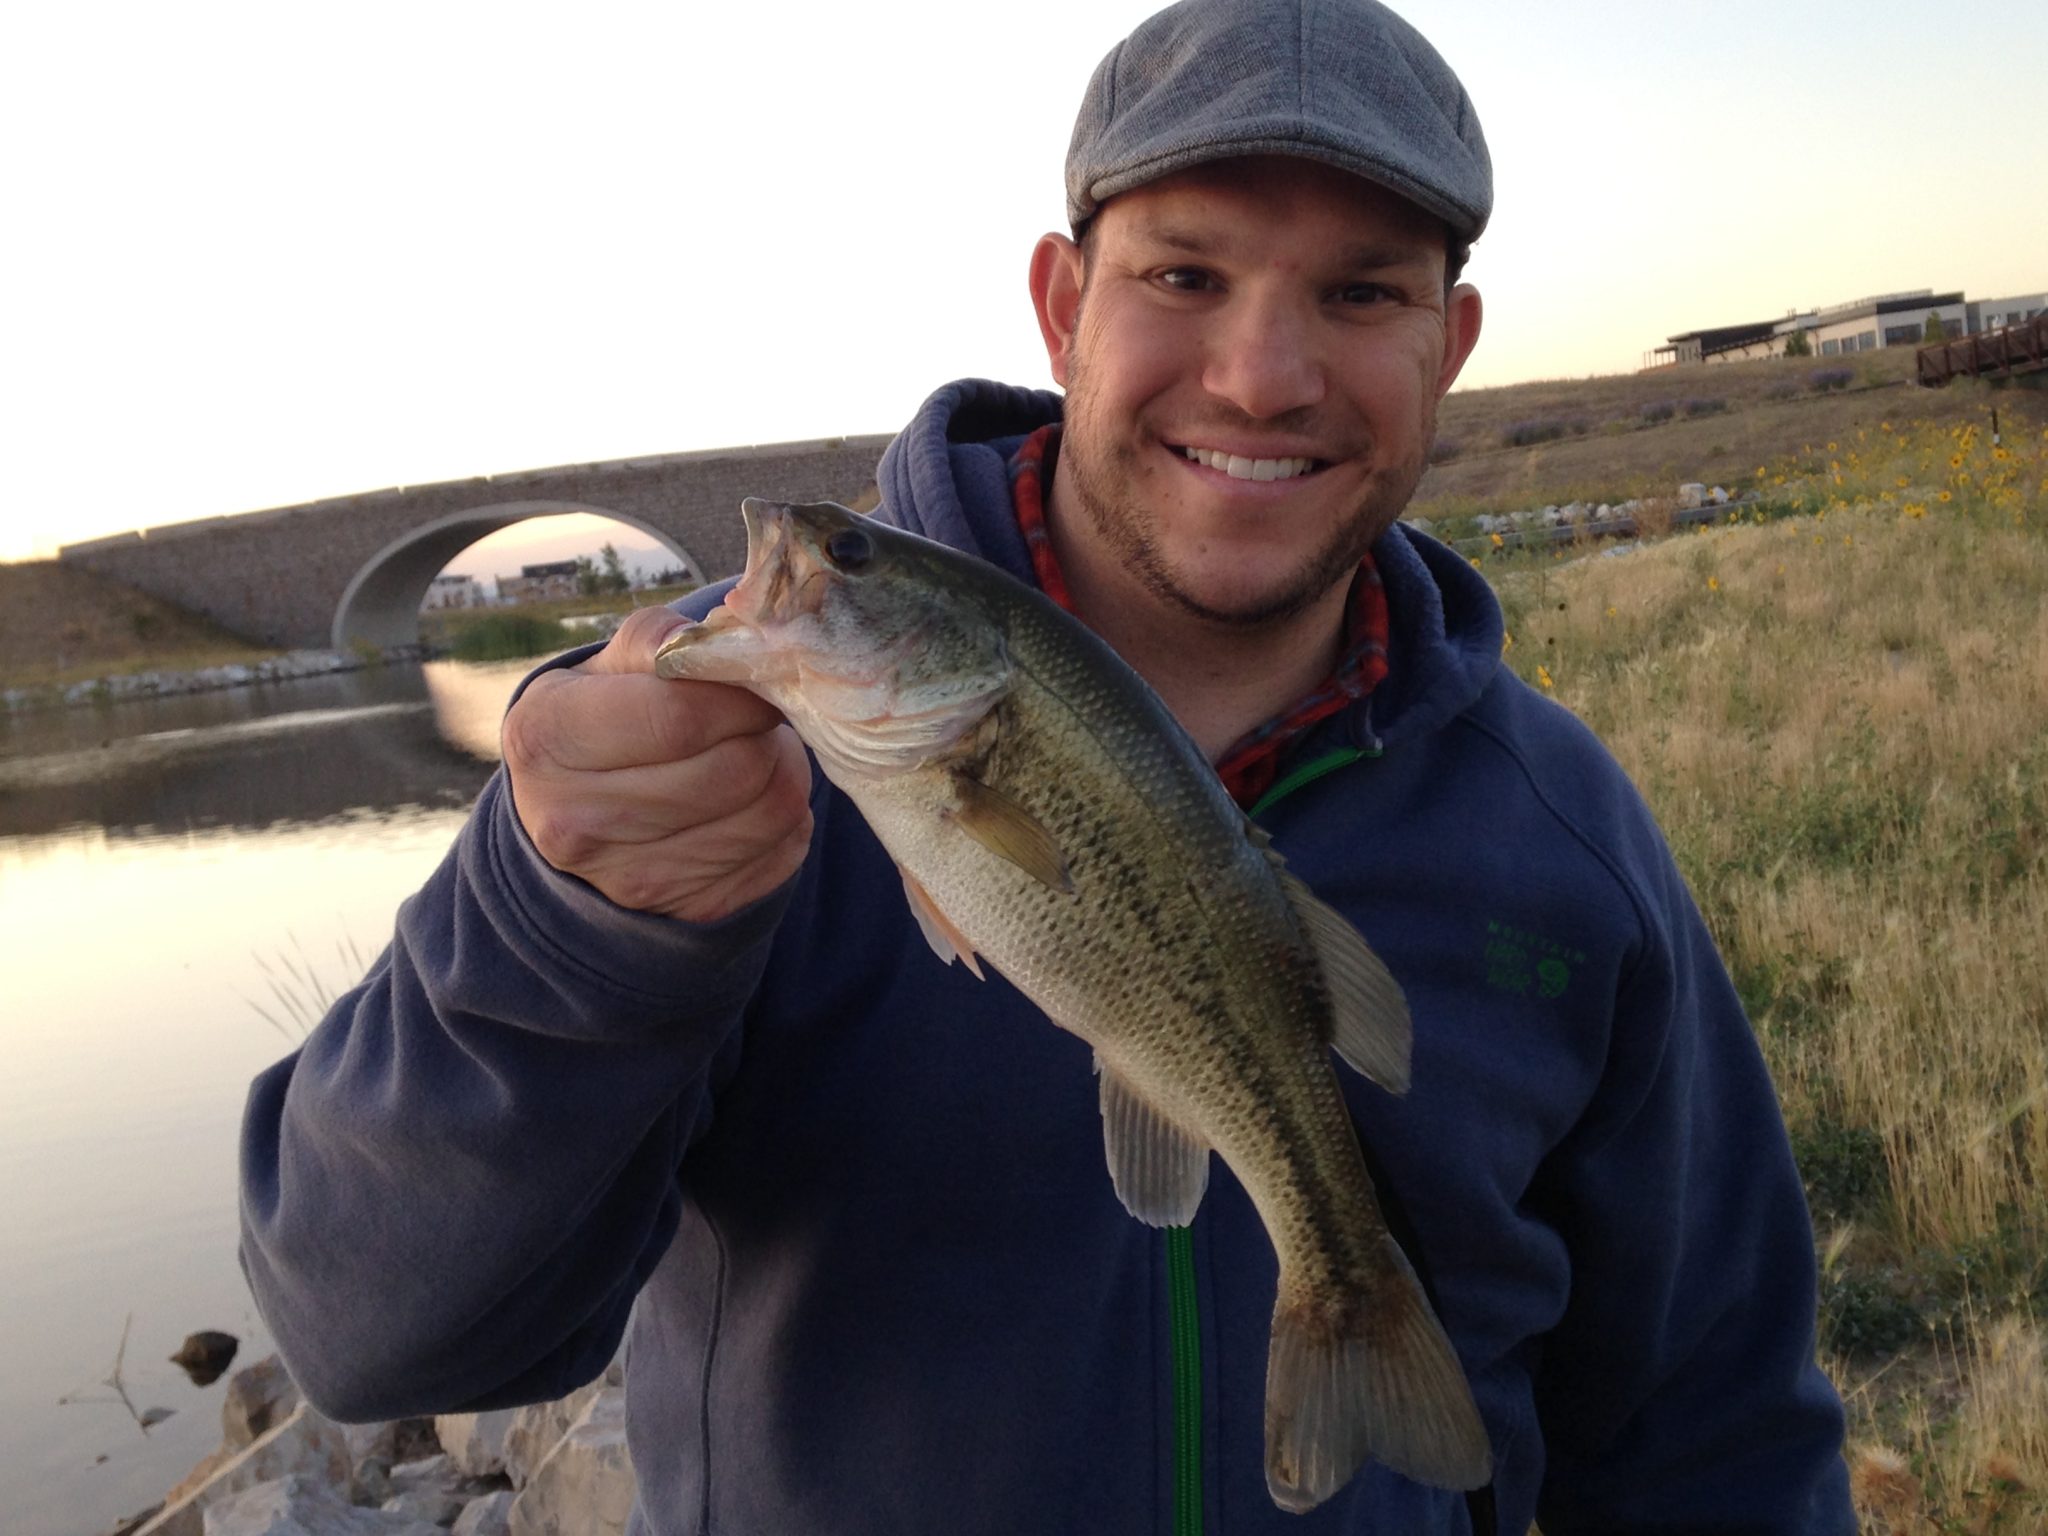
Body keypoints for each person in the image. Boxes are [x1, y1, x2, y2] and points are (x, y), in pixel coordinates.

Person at [239, 1, 1856, 1530]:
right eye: (1185, 276)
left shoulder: (1564, 840)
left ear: (1449, 343)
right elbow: (377, 1335)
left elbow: (1718, 1426)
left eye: (1363, 292)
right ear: (1067, 307)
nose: (1262, 373)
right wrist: (568, 928)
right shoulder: (692, 765)